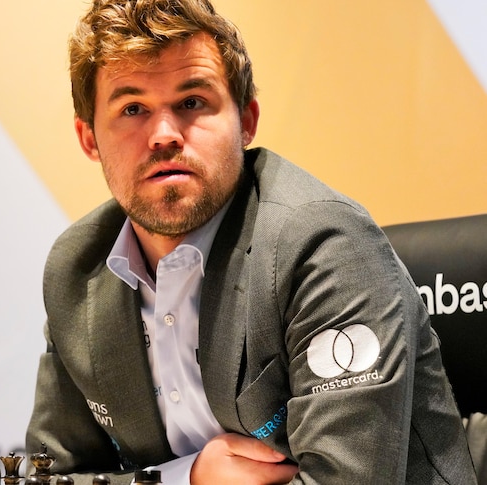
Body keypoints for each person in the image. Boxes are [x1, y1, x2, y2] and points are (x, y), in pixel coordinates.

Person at [24, 0, 477, 483]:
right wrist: (189, 477)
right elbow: (50, 476)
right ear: (89, 138)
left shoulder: (324, 247)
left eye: (192, 102)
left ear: (247, 121)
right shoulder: (77, 268)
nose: (163, 135)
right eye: (132, 108)